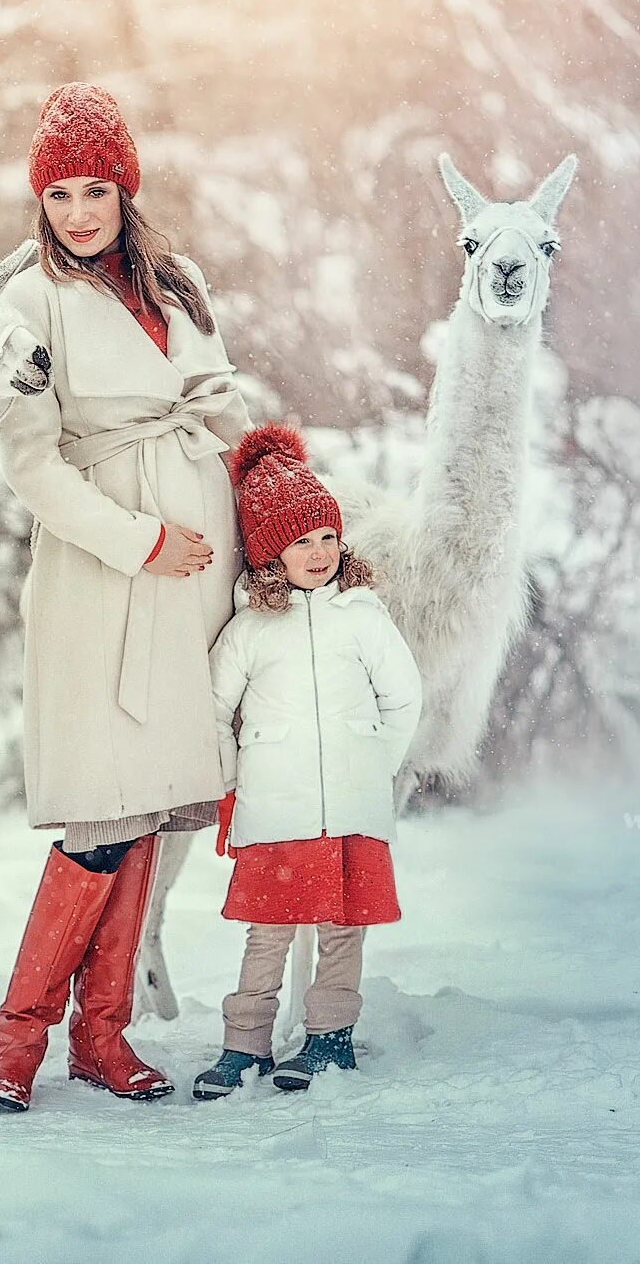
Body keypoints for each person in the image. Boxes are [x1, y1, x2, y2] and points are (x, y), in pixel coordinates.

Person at [0, 83, 251, 1112]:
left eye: (95, 190)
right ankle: (14, 1045)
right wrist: (139, 541)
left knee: (148, 811)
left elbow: (220, 404)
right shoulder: (25, 306)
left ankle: (103, 1037)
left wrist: (271, 487)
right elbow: (32, 468)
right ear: (38, 203)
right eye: (58, 195)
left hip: (197, 574)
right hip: (104, 575)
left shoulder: (177, 286)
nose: (78, 213)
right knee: (97, 812)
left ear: (125, 191)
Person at [191, 425, 422, 1100]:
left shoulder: (363, 616)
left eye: (327, 537)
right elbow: (211, 707)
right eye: (300, 541)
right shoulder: (249, 631)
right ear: (270, 554)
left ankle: (328, 1038)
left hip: (349, 807)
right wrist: (236, 776)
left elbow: (404, 697)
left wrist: (371, 764)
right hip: (277, 809)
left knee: (341, 930)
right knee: (269, 933)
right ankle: (245, 1044)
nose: (318, 553)